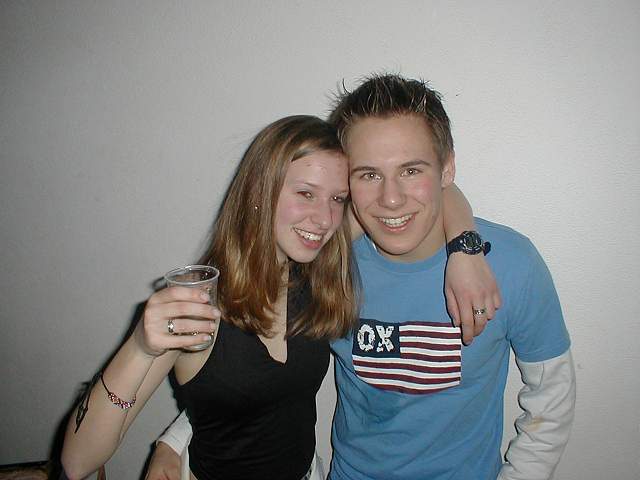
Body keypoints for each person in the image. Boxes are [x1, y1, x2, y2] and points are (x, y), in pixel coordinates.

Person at [150, 74, 575, 480]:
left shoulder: (512, 264)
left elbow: (551, 401)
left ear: (446, 169)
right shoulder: (326, 264)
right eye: (369, 175)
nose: (391, 199)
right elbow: (251, 375)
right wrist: (177, 440)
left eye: (411, 170)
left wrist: (464, 247)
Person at [61, 114, 497, 480]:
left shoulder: (315, 269)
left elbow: (433, 189)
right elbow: (78, 462)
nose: (324, 218)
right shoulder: (200, 305)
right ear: (260, 192)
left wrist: (465, 249)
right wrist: (140, 347)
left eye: (337, 199)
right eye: (305, 193)